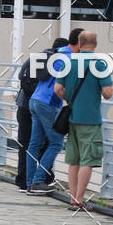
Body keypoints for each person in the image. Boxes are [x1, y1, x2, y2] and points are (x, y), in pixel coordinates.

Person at [54, 30, 113, 211]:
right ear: (95, 44)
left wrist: (70, 99)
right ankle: (80, 200)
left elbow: (57, 89)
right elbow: (108, 93)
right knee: (87, 161)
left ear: (79, 44)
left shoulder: (69, 62)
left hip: (72, 118)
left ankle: (72, 199)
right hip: (91, 119)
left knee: (74, 160)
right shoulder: (100, 64)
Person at [26, 32, 81, 195]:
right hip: (48, 103)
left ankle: (30, 183)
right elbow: (64, 86)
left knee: (34, 144)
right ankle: (37, 182)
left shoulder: (57, 51)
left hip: (35, 99)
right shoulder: (69, 59)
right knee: (56, 143)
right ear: (79, 43)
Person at [15, 37, 68, 191]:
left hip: (25, 104)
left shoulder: (37, 58)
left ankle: (25, 181)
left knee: (27, 143)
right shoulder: (58, 61)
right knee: (48, 143)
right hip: (42, 105)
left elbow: (21, 76)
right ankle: (43, 179)